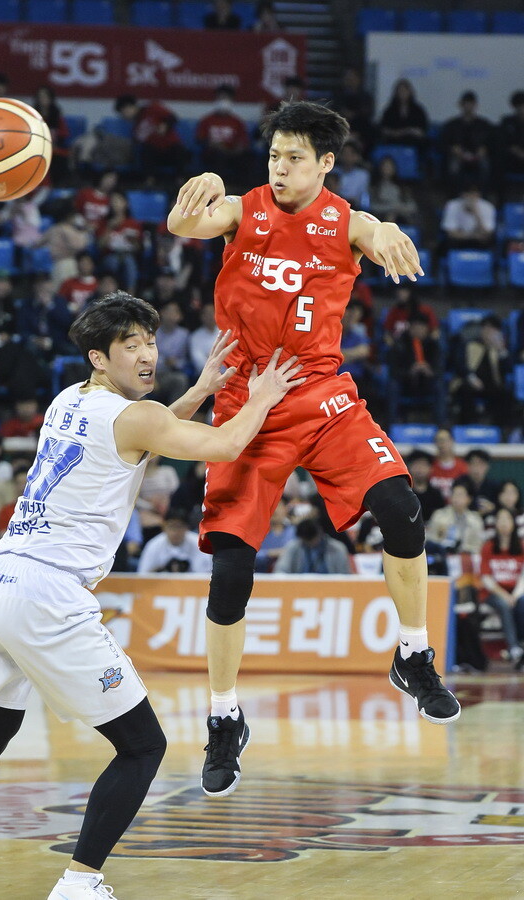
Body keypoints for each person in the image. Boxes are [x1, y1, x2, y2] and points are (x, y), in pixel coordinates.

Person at [0, 291, 304, 900]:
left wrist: (199, 388)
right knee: (143, 746)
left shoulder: (68, 399)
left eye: (150, 341)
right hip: (48, 596)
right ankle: (81, 881)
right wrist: (261, 396)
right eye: (131, 345)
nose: (147, 354)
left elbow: (142, 435)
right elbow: (223, 445)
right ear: (99, 357)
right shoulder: (135, 415)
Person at [168, 98, 461, 799]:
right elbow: (186, 225)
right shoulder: (242, 210)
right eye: (274, 155)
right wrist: (199, 193)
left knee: (402, 509)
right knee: (230, 572)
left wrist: (387, 228)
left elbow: (374, 229)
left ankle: (414, 654)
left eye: (295, 157)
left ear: (325, 163)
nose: (281, 167)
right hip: (246, 398)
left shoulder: (346, 221)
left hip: (320, 392)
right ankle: (224, 716)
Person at [450, 315, 514, 430]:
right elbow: (459, 365)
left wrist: (501, 351)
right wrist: (472, 378)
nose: (489, 332)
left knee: (506, 394)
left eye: (493, 329)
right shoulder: (469, 344)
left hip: (491, 384)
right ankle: (468, 426)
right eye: (486, 328)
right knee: (466, 390)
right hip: (470, 381)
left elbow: (508, 369)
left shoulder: (499, 349)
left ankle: (501, 429)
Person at [479, 507, 524, 667]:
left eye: (507, 519)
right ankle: (514, 648)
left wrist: (515, 595)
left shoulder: (521, 546)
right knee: (504, 604)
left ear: (514, 523)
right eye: (500, 519)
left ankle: (520, 644)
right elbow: (486, 578)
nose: (504, 523)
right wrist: (505, 596)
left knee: (522, 603)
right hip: (492, 594)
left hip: (516, 592)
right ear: (496, 523)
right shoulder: (488, 546)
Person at [386, 310, 445, 424]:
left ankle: (441, 425)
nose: (418, 330)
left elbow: (440, 369)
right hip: (406, 383)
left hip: (427, 382)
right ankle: (391, 424)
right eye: (415, 326)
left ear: (427, 329)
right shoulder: (399, 344)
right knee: (392, 385)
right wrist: (410, 371)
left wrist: (429, 370)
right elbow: (394, 370)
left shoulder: (434, 345)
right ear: (409, 327)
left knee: (440, 385)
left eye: (421, 327)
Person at [440, 90, 494, 190]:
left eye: (471, 104)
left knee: (486, 165)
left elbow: (491, 142)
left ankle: (482, 195)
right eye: (466, 104)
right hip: (458, 155)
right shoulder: (451, 125)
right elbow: (443, 142)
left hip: (478, 156)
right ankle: (455, 194)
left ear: (476, 105)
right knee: (453, 167)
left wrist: (484, 149)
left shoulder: (484, 124)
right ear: (461, 105)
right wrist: (453, 149)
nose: (468, 107)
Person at [137, 507, 211, 573]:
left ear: (187, 528)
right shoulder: (153, 545)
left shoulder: (199, 544)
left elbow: (207, 575)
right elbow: (143, 575)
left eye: (179, 527)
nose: (175, 532)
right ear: (164, 527)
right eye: (172, 526)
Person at [274, 513, 352, 574]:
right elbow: (280, 570)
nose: (311, 543)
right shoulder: (293, 547)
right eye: (307, 540)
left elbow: (345, 576)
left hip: (330, 586)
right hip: (300, 586)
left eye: (313, 539)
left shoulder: (337, 548)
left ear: (320, 533)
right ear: (301, 538)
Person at [378, 78, 429, 154]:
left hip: (413, 142)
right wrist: (396, 133)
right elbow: (383, 129)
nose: (402, 93)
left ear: (410, 92)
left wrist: (409, 131)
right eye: (400, 91)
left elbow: (422, 131)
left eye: (405, 91)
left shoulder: (418, 110)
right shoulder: (389, 110)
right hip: (393, 141)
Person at [440, 184, 496, 250]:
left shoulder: (488, 207)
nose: (471, 197)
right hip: (458, 241)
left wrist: (476, 213)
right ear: (462, 195)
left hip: (479, 242)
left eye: (474, 194)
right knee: (447, 242)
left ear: (479, 195)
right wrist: (471, 236)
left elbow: (486, 233)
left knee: (489, 241)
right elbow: (450, 233)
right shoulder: (452, 205)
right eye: (468, 194)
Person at [405, 450, 445, 524]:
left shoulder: (436, 495)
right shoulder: (404, 493)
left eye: (423, 465)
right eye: (416, 465)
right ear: (409, 467)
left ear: (431, 469)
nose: (420, 469)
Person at [429, 427, 468, 503]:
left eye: (444, 440)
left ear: (452, 441)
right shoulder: (430, 466)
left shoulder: (463, 467)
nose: (441, 444)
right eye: (438, 440)